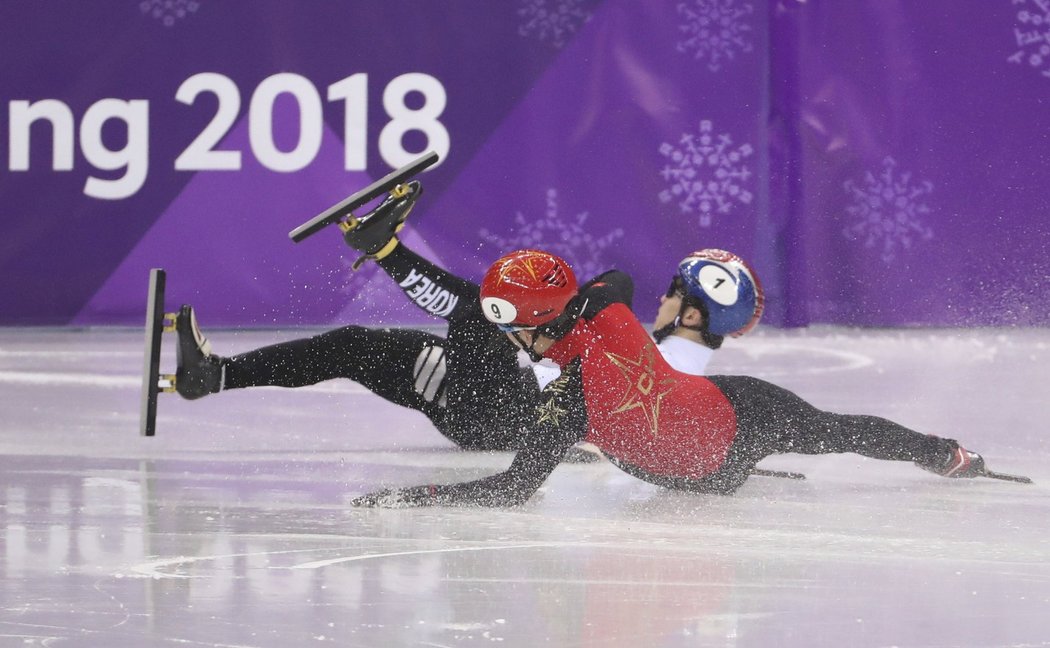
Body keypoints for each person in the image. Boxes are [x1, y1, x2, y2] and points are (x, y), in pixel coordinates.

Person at [350, 249, 995, 508]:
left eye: (517, 328)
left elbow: (620, 279)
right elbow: (514, 486)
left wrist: (421, 497)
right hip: (700, 469)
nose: (516, 342)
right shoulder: (567, 396)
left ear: (542, 323)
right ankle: (943, 454)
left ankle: (945, 454)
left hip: (737, 415)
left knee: (838, 431)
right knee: (837, 433)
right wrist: (422, 496)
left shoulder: (608, 332)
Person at [172, 185, 746, 452]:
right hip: (494, 398)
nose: (663, 300)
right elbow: (616, 282)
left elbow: (618, 427)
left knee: (482, 312)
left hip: (512, 418)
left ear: (692, 313)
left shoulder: (677, 368)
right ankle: (209, 377)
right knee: (351, 345)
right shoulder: (670, 355)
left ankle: (385, 251)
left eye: (674, 293)